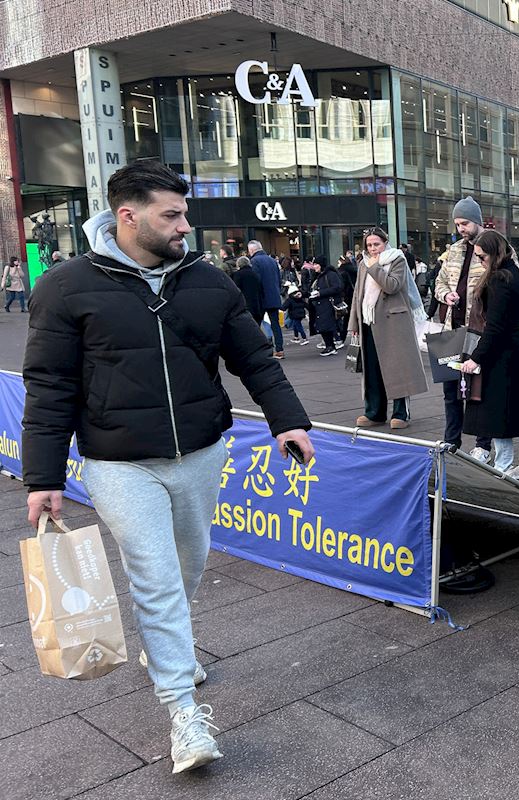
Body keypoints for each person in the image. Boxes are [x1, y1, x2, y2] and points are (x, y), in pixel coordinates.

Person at [22, 160, 313, 774]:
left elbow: (254, 359)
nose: (185, 226)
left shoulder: (209, 281)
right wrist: (43, 478)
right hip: (119, 464)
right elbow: (49, 387)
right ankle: (183, 711)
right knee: (154, 576)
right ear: (128, 216)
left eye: (185, 214)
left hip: (201, 453)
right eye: (172, 215)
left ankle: (163, 646)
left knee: (188, 563)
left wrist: (288, 420)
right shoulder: (66, 287)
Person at [458, 231, 519, 479]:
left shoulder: (499, 279)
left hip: (501, 350)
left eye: (482, 256)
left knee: (497, 408)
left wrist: (476, 357)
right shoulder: (515, 274)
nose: (479, 260)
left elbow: (494, 328)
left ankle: (503, 466)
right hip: (513, 345)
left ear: (494, 253)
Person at [348, 228, 428, 430]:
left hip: (394, 322)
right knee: (372, 370)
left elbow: (392, 285)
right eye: (369, 245)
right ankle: (374, 412)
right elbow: (358, 294)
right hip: (369, 322)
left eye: (376, 244)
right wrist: (354, 324)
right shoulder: (363, 264)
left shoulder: (397, 259)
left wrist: (375, 267)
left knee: (398, 369)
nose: (373, 248)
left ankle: (401, 413)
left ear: (385, 243)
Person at [433, 196, 493, 462]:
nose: (461, 229)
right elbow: (439, 282)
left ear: (477, 221)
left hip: (477, 330)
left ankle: (483, 444)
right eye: (457, 224)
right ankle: (451, 441)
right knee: (450, 391)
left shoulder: (493, 246)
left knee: (478, 391)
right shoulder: (454, 250)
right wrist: (446, 295)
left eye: (465, 223)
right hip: (450, 329)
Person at [248, 240, 284, 359]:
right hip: (273, 296)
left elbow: (256, 281)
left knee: (256, 325)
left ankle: (257, 350)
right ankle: (279, 349)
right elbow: (278, 279)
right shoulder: (272, 260)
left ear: (251, 250)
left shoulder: (254, 261)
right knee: (275, 325)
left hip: (261, 298)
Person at [308, 255, 344, 356]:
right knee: (323, 325)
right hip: (319, 304)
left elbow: (337, 287)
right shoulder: (318, 275)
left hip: (328, 304)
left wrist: (320, 293)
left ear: (321, 265)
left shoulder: (330, 274)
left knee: (327, 325)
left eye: (316, 264)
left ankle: (330, 346)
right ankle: (330, 345)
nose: (314, 266)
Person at [231, 256, 263, 325]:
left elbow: (236, 290)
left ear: (239, 264)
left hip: (245, 306)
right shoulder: (255, 274)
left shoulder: (237, 275)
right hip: (256, 306)